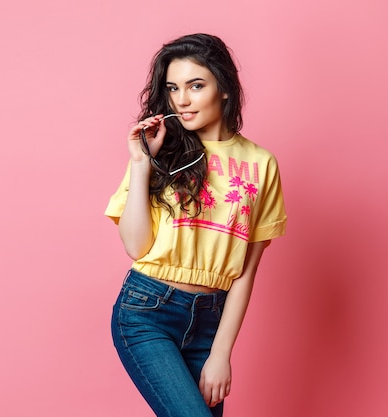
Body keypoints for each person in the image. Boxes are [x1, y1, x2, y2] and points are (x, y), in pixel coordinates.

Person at [105, 33, 287, 417]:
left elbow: (246, 271)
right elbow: (136, 247)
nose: (182, 100)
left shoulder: (261, 163)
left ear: (224, 87)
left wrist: (221, 353)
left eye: (196, 85)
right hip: (146, 312)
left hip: (210, 320)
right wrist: (141, 164)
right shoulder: (160, 150)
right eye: (173, 88)